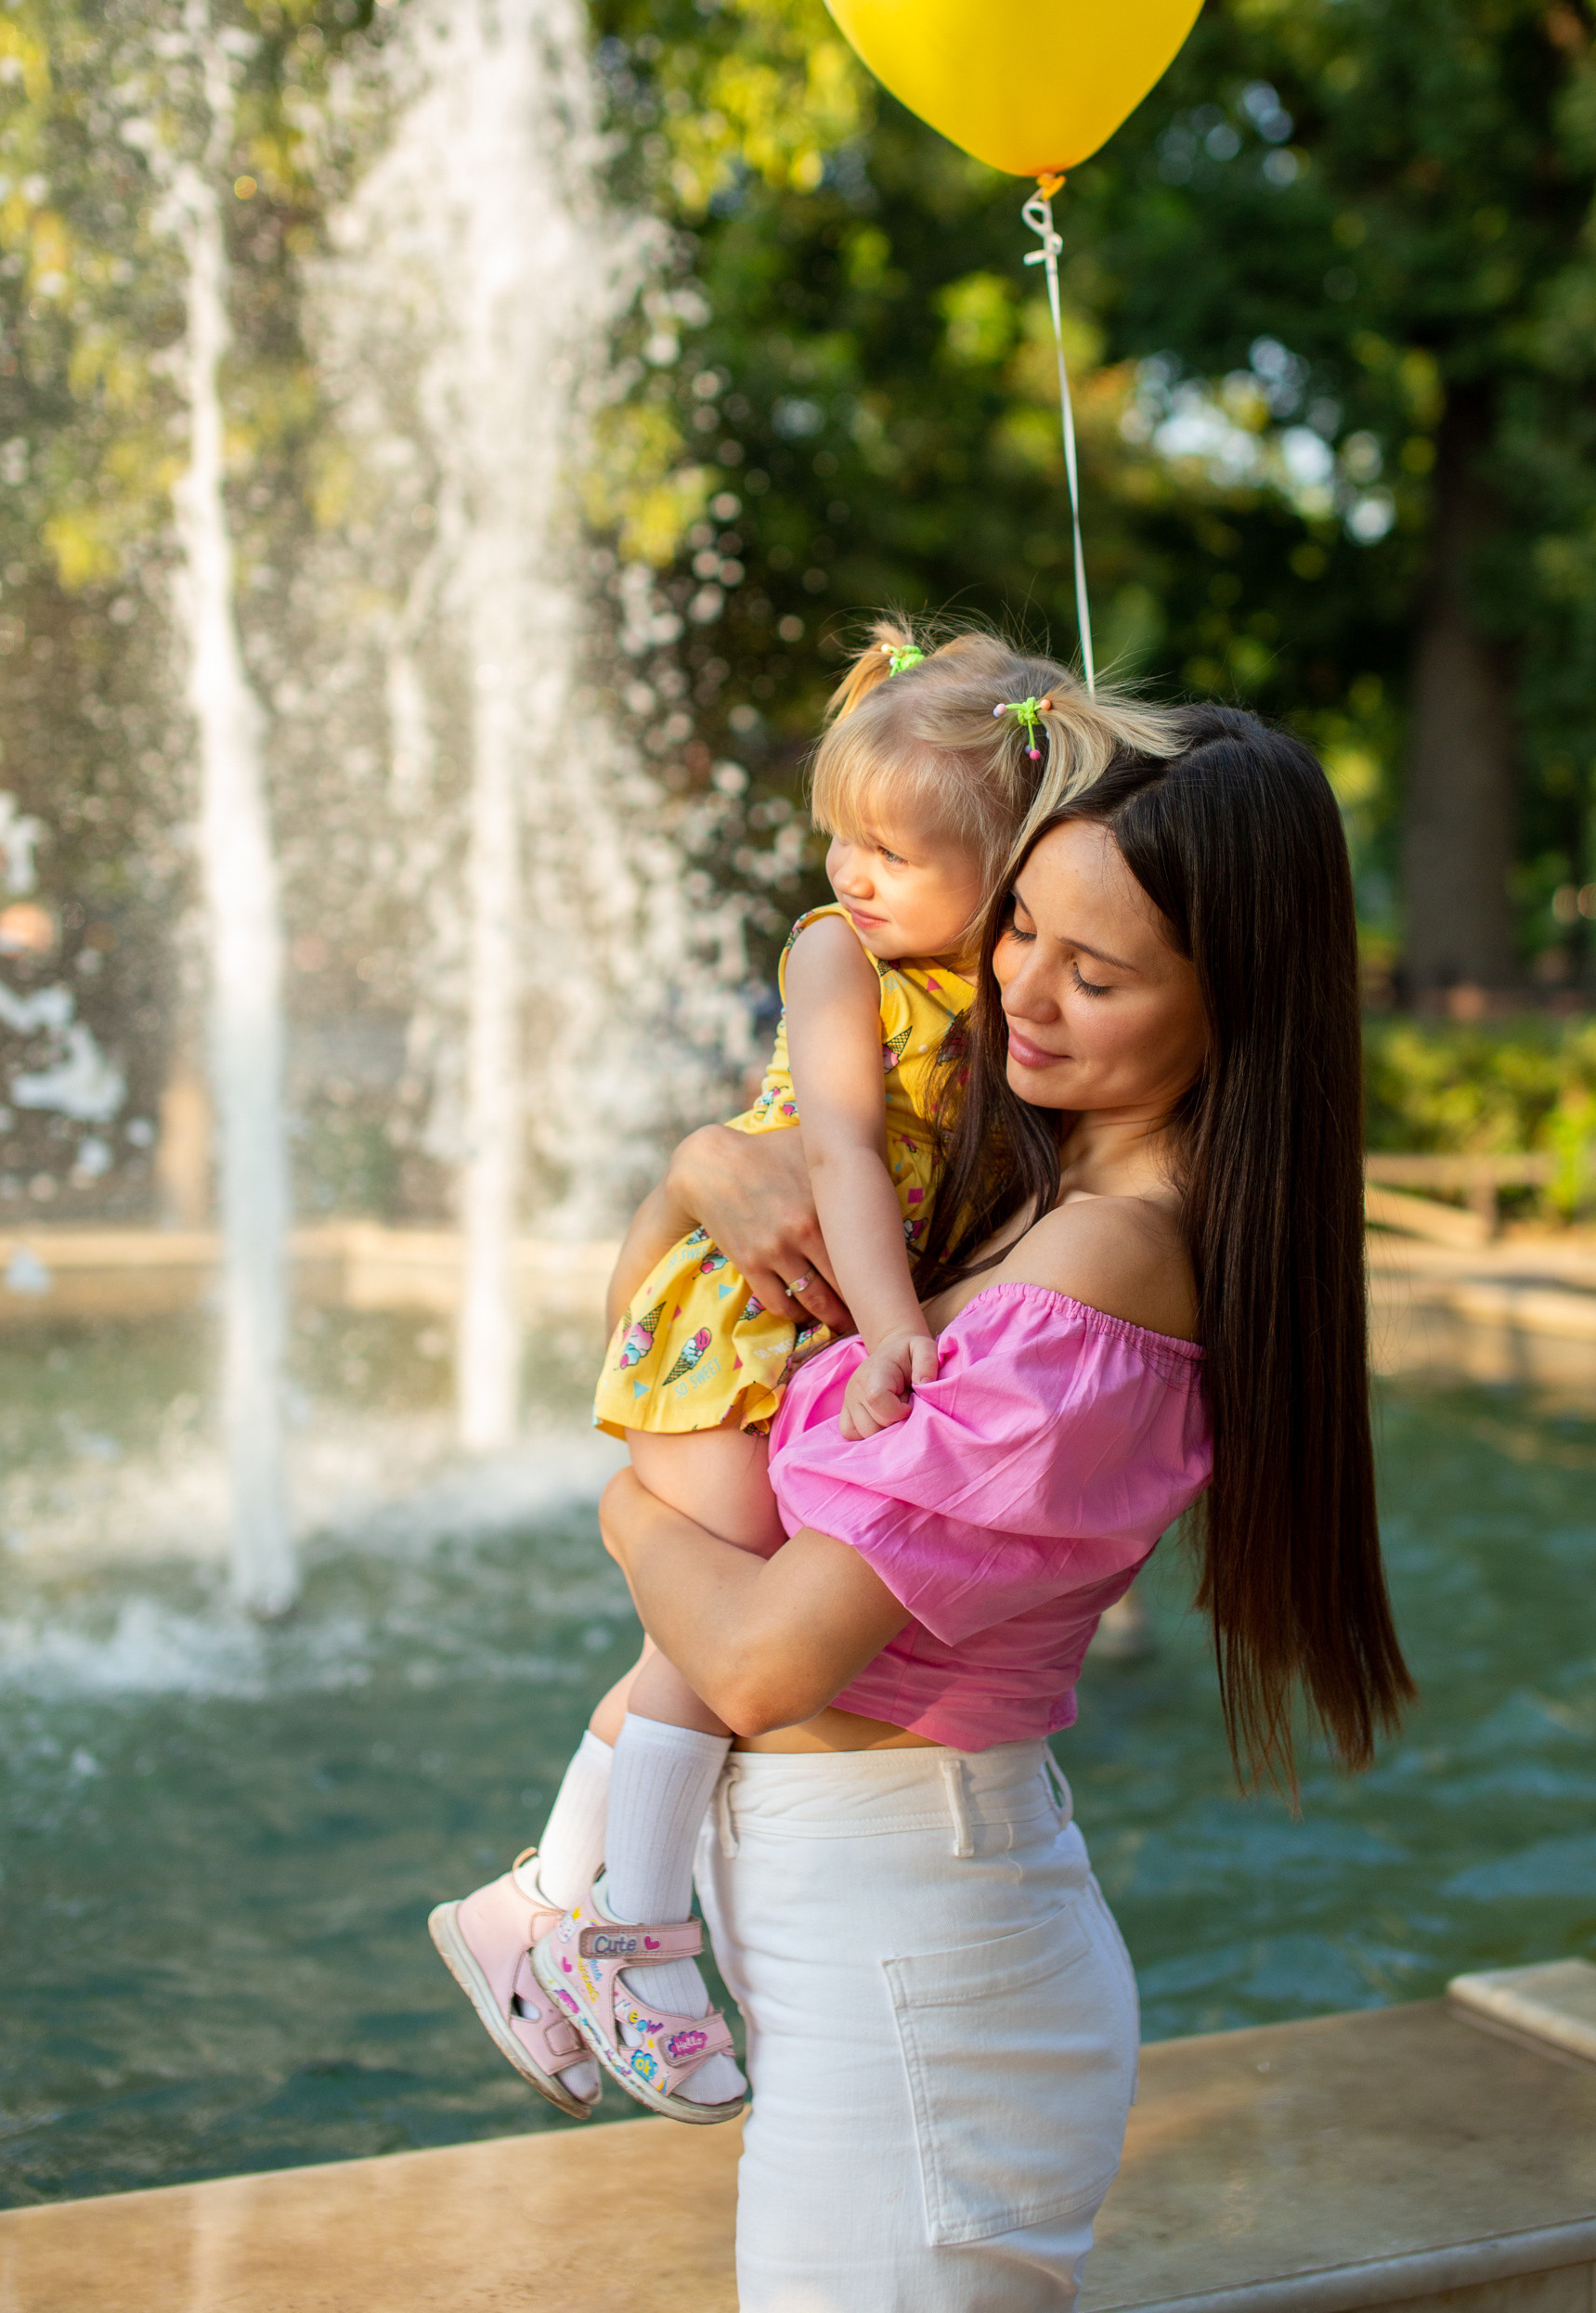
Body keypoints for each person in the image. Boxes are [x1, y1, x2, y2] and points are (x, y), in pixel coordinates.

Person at [543, 711, 1414, 2309]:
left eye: (1102, 972)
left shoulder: (1103, 1272)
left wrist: (616, 1514)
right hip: (867, 1943)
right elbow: (669, 1369)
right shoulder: (1020, 1193)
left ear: (1237, 1005)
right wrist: (697, 1174)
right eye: (1022, 921)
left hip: (918, 1976)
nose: (1022, 987)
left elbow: (750, 1661)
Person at [429, 621, 1174, 2118]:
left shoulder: (989, 998)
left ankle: (546, 1910)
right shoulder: (843, 958)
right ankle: (617, 1924)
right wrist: (890, 1326)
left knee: (712, 1614)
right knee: (731, 1601)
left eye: (892, 851)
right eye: (839, 837)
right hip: (749, 1314)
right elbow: (833, 1143)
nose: (849, 874)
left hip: (803, 1319)